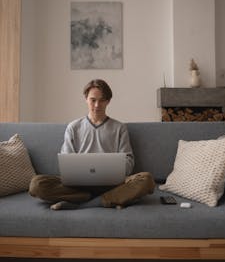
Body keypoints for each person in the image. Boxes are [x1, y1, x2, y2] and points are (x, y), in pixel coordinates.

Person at [29, 79, 155, 210]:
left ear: (108, 101)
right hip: (78, 187)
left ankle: (85, 204)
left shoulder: (119, 128)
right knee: (36, 184)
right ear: (86, 99)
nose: (97, 105)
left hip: (113, 185)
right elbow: (66, 163)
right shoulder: (73, 127)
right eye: (93, 100)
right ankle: (107, 199)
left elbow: (129, 162)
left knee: (146, 179)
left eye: (102, 100)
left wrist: (113, 168)